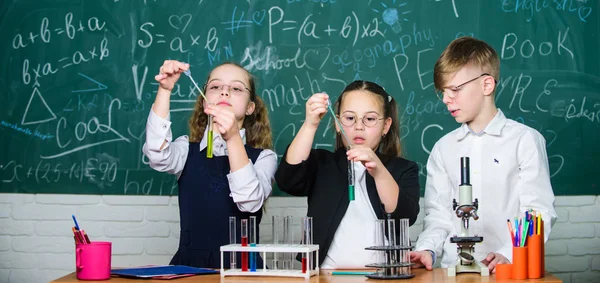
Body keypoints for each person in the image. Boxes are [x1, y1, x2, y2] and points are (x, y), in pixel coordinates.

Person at [409, 37, 558, 273]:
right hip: (454, 272)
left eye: (455, 89)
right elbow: (438, 216)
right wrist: (427, 249)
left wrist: (509, 255)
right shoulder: (443, 148)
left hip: (509, 272)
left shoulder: (524, 140)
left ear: (487, 85)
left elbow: (537, 213)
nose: (447, 99)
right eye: (443, 92)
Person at [142, 60, 276, 268]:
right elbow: (157, 155)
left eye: (236, 88)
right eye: (215, 87)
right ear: (205, 103)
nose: (224, 92)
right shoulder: (186, 150)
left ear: (250, 108)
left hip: (244, 270)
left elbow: (249, 201)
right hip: (189, 268)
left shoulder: (264, 157)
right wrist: (165, 90)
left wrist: (232, 138)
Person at [275, 80, 420, 269]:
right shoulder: (322, 163)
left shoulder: (403, 168)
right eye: (350, 118)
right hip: (326, 276)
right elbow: (287, 180)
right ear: (337, 123)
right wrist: (310, 124)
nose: (359, 127)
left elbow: (405, 216)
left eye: (370, 119)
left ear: (386, 126)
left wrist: (379, 171)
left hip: (386, 275)